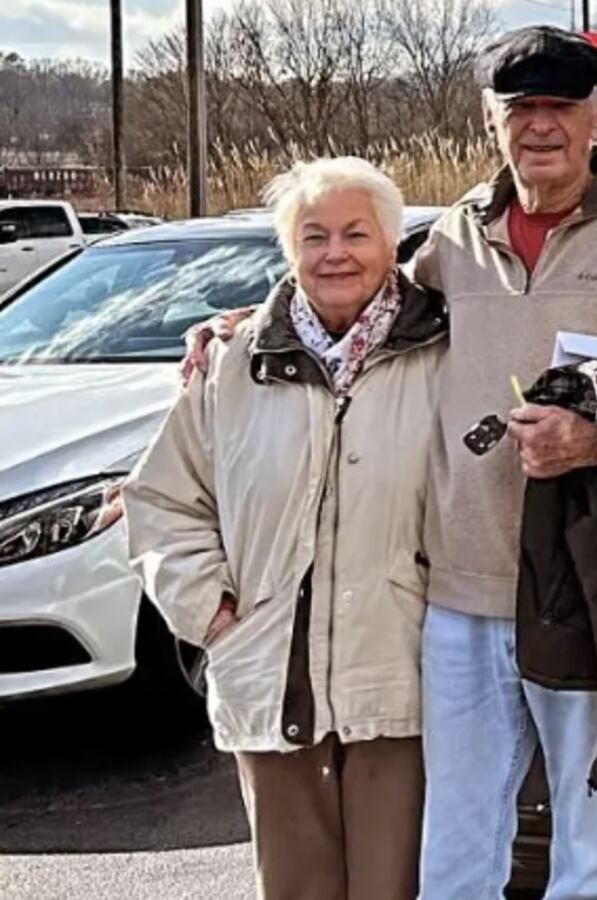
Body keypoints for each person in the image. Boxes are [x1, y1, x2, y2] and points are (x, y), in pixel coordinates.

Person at [181, 25, 597, 900]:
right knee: (455, 855)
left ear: (594, 116)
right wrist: (250, 321)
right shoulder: (454, 237)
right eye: (520, 109)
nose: (540, 127)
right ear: (492, 121)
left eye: (560, 107)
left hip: (589, 594)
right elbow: (361, 297)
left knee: (593, 853)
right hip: (457, 600)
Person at [126, 157, 447, 900]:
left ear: (393, 243)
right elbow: (162, 500)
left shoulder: (443, 352)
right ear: (288, 250)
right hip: (268, 679)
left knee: (398, 888)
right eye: (314, 235)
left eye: (356, 233)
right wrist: (206, 608)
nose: (335, 252)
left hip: (402, 679)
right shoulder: (232, 365)